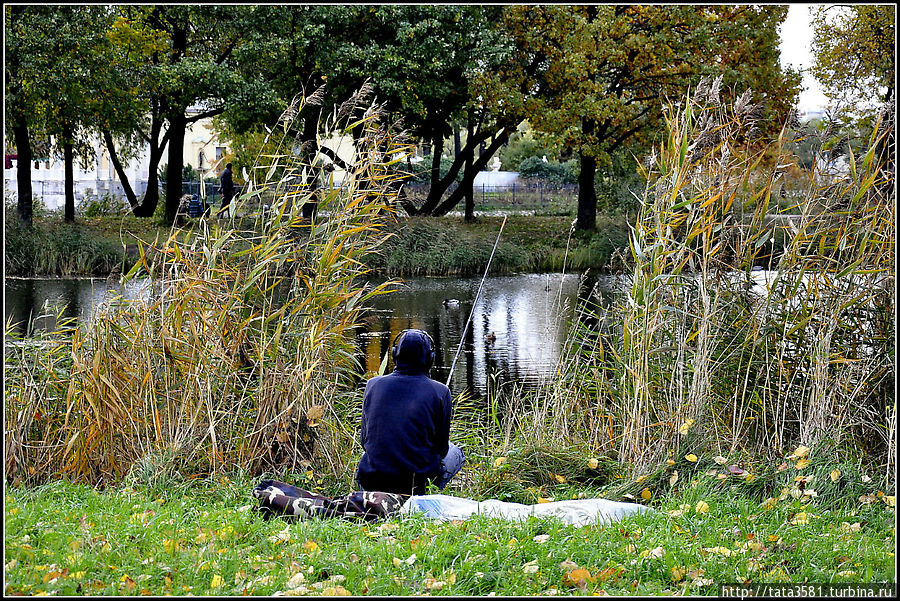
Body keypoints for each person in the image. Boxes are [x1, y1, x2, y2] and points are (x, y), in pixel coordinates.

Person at [356, 329, 465, 495]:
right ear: (430, 358)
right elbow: (442, 450)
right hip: (416, 483)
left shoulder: (372, 384)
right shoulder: (441, 391)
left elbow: (365, 442)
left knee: (367, 456)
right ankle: (426, 494)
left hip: (372, 481)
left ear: (395, 354)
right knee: (456, 452)